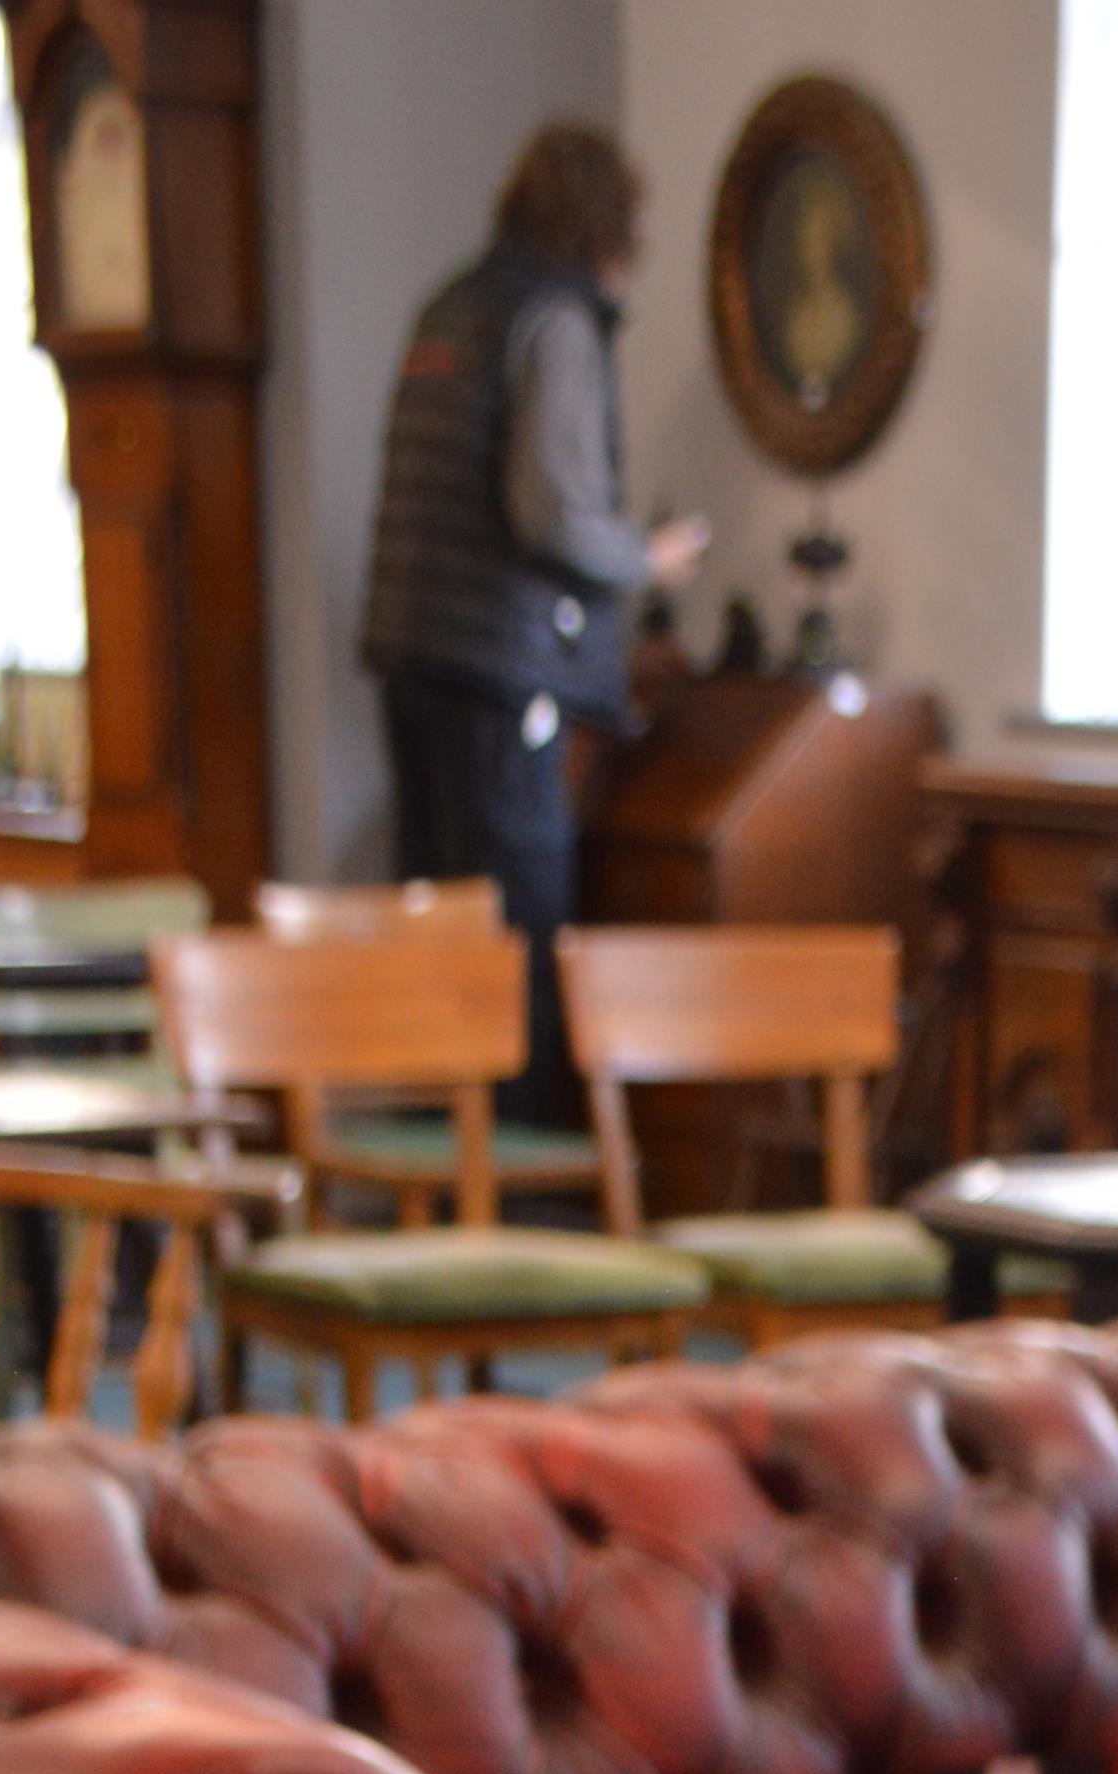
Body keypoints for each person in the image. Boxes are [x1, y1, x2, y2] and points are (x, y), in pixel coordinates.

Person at [357, 121, 707, 1125]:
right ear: (604, 224)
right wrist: (649, 555)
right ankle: (516, 1195)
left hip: (415, 664)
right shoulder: (551, 320)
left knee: (440, 942)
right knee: (515, 942)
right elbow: (550, 508)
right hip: (504, 682)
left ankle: (444, 1176)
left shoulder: (453, 306)